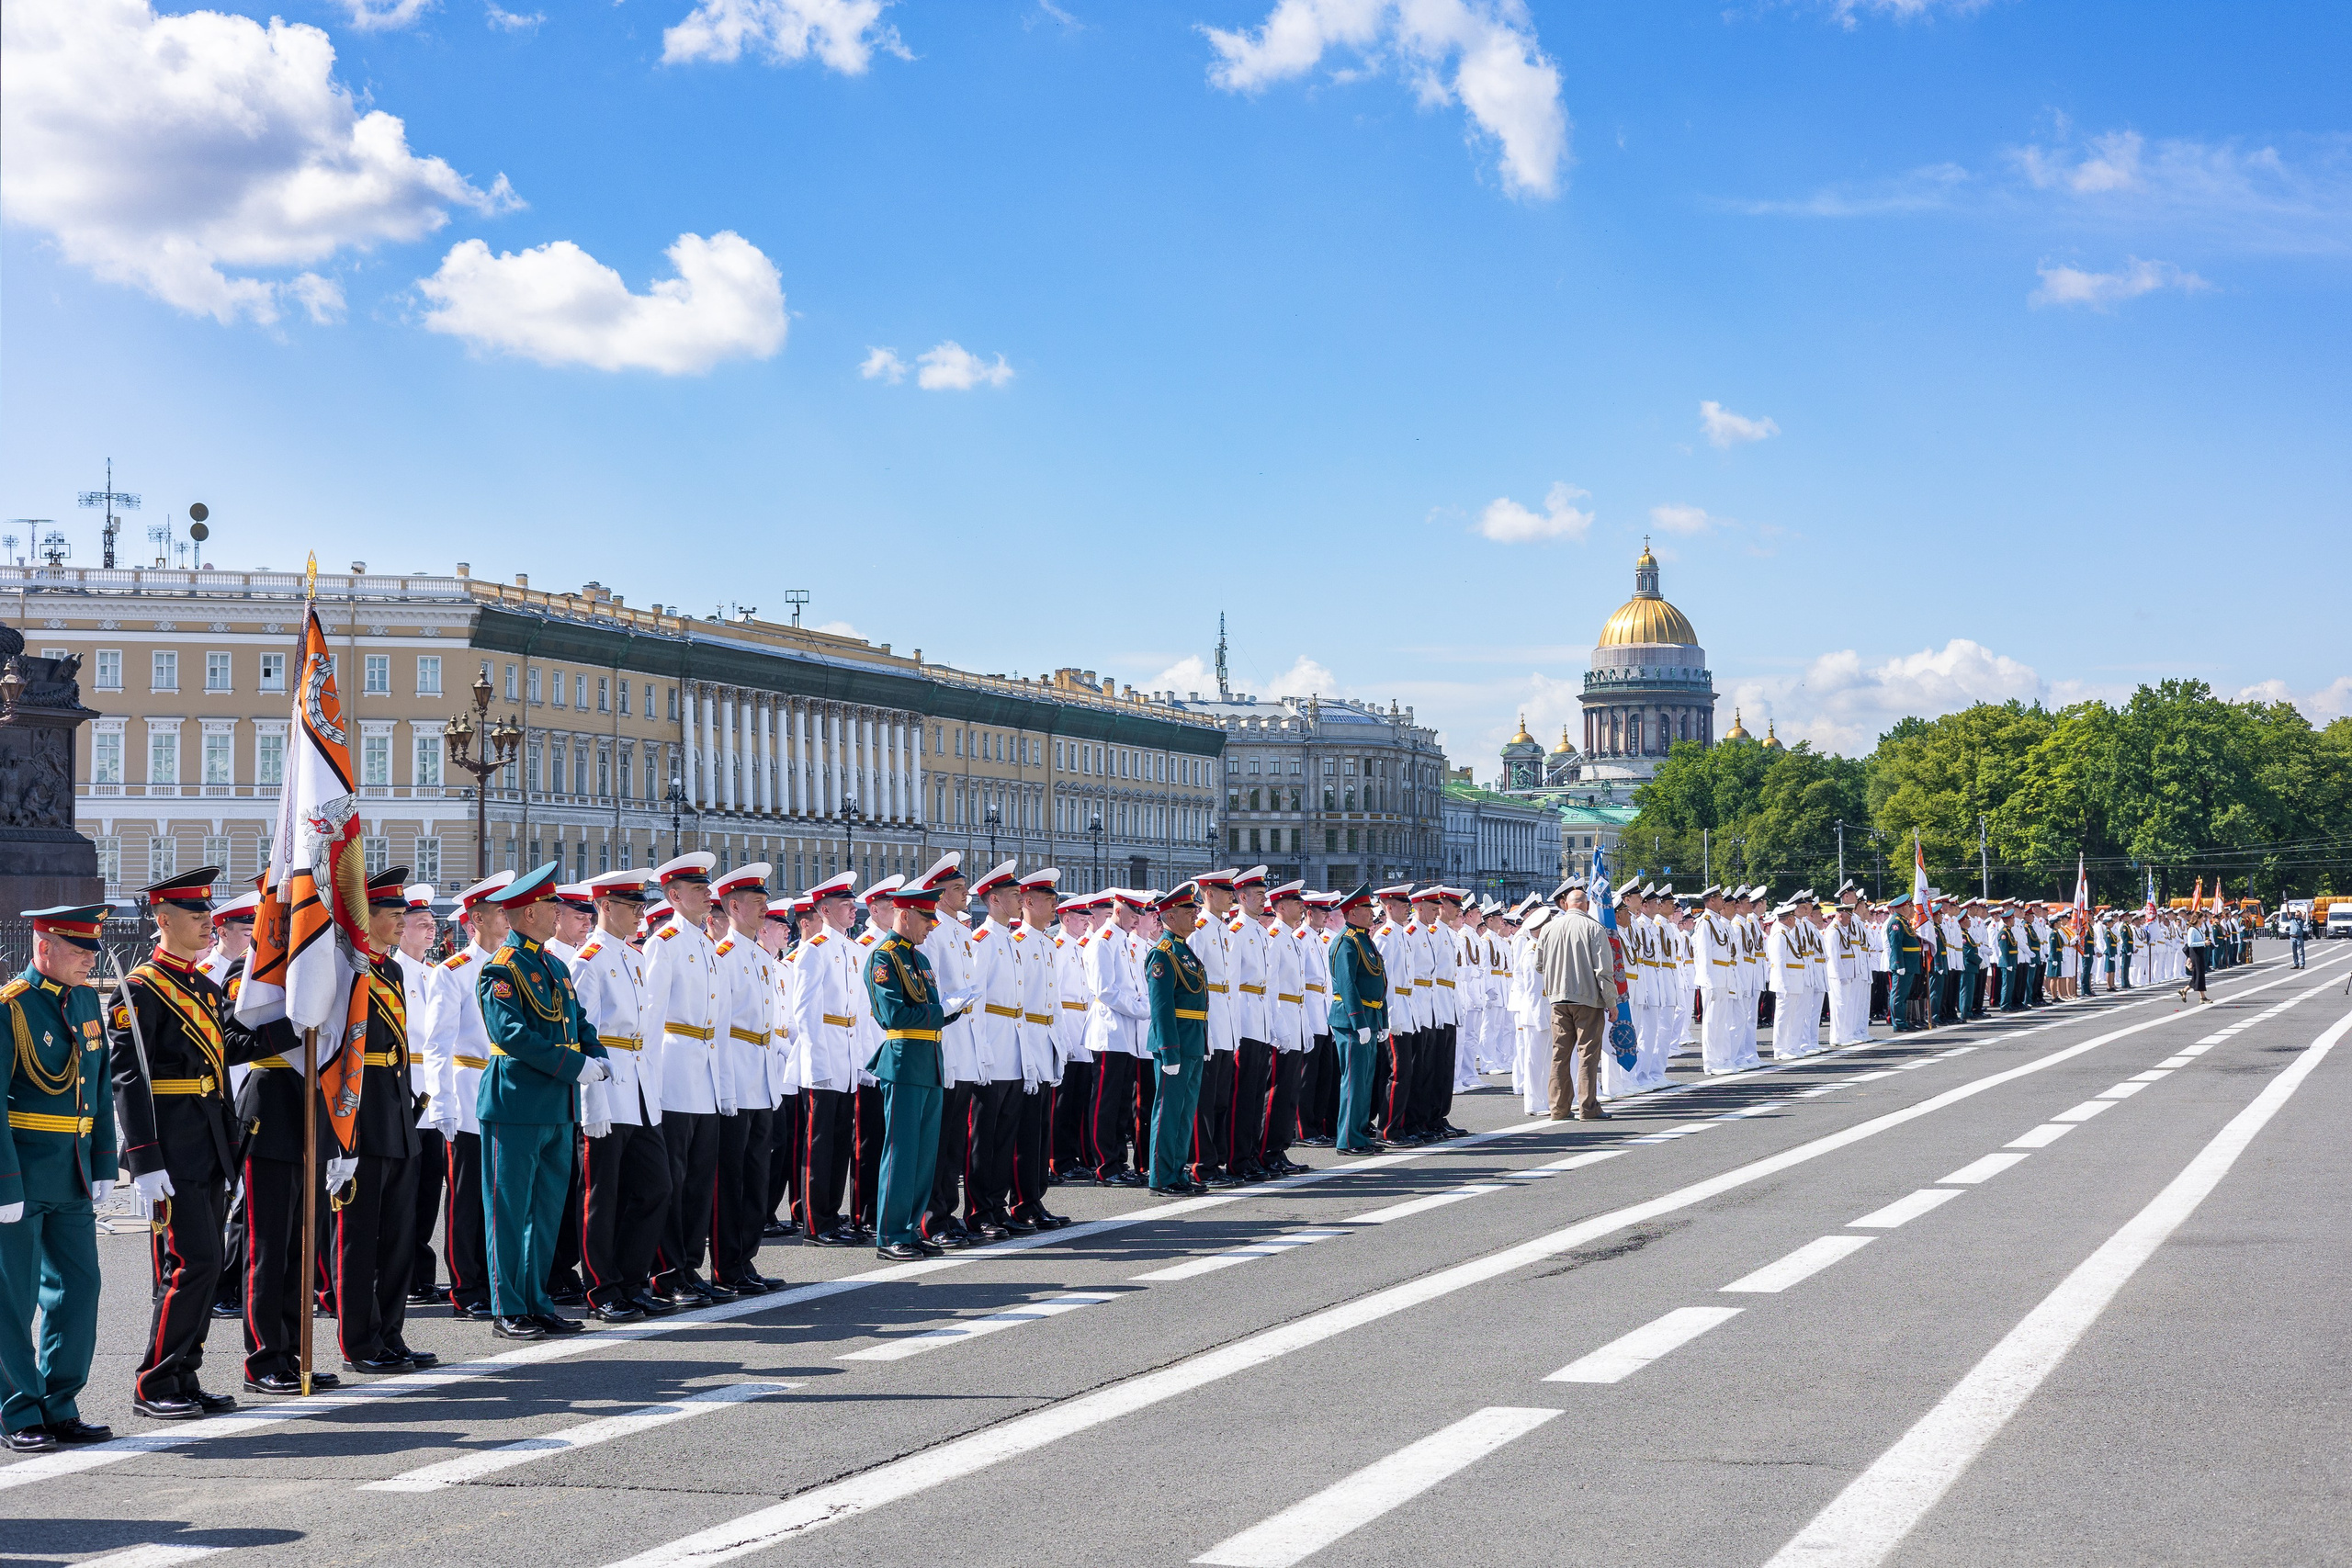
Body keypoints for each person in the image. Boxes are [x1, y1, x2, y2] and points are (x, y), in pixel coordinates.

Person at [108, 867, 281, 1420]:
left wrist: (292, 1028)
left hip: (209, 1141)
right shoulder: (141, 989)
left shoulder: (202, 985)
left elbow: (220, 1053)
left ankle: (183, 1372)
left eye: (208, 913)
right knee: (193, 1261)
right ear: (163, 921)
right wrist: (143, 1159)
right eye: (196, 914)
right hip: (171, 1145)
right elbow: (128, 1078)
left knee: (204, 1264)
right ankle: (154, 1380)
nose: (208, 922)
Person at [475, 863, 610, 1341]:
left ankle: (537, 1301)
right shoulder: (502, 968)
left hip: (556, 1104)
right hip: (515, 1102)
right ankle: (507, 1307)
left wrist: (596, 1053)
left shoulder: (552, 964)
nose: (560, 912)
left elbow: (578, 1020)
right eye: (553, 905)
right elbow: (511, 1034)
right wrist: (574, 1066)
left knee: (547, 1212)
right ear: (529, 911)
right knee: (509, 1212)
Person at [2, 906, 119, 1451]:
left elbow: (97, 1086)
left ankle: (60, 1403)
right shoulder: (12, 1009)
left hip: (71, 1174)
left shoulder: (87, 1001)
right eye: (78, 951)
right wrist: (4, 1183)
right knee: (13, 1298)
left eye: (92, 950)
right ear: (43, 947)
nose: (89, 960)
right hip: (22, 1174)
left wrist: (102, 1163)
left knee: (78, 1290)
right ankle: (17, 1409)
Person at [334, 869, 434, 1375]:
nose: (401, 921)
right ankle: (360, 1341)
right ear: (364, 917)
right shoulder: (345, 970)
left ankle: (391, 1333)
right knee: (359, 1237)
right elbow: (335, 1053)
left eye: (402, 914)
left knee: (398, 1233)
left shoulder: (390, 972)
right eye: (393, 914)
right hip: (362, 1115)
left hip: (396, 1110)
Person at [570, 869, 673, 1323]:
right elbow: (582, 1037)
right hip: (607, 1091)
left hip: (638, 1090)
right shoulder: (588, 961)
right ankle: (602, 1288)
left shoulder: (633, 958)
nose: (640, 914)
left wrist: (652, 1093)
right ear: (605, 907)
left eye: (641, 906)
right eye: (632, 907)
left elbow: (645, 1035)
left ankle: (632, 1281)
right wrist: (590, 1104)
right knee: (601, 1195)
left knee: (654, 1186)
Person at [421, 871, 514, 1319]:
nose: (508, 919)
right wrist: (441, 1102)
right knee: (467, 1198)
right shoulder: (453, 972)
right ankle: (467, 1286)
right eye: (500, 912)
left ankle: (499, 1280)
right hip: (469, 1089)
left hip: (509, 1091)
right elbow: (437, 1043)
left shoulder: (514, 964)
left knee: (504, 1194)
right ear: (477, 919)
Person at [643, 852, 731, 1305]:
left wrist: (725, 1086)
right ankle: (667, 1272)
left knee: (699, 1180)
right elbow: (652, 1019)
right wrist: (651, 1086)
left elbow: (717, 1023)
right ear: (674, 896)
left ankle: (690, 1268)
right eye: (698, 890)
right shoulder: (665, 943)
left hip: (704, 1074)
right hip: (674, 1072)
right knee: (673, 1180)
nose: (707, 894)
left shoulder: (704, 944)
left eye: (706, 888)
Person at [864, 879, 953, 1262]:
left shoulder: (921, 958)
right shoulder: (883, 958)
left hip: (929, 1060)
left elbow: (929, 1014)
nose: (931, 925)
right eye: (925, 917)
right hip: (902, 1060)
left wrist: (951, 1009)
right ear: (903, 914)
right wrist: (943, 1010)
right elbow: (894, 1015)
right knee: (901, 1153)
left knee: (923, 1156)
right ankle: (891, 1233)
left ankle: (912, 1228)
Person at [709, 863, 783, 1295]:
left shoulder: (760, 957)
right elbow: (718, 1028)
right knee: (730, 1178)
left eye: (765, 902)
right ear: (733, 907)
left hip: (761, 1075)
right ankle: (725, 1264)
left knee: (756, 1174)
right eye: (757, 903)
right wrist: (724, 1086)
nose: (765, 909)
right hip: (736, 1074)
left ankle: (745, 1259)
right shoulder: (723, 957)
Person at [788, 872, 864, 1247]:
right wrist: (815, 1062)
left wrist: (863, 1061)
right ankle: (816, 1223)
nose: (854, 910)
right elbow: (804, 1012)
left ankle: (833, 1215)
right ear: (824, 910)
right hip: (823, 1055)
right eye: (846, 905)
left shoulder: (854, 950)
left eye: (853, 904)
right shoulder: (813, 949)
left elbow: (861, 1011)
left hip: (847, 1054)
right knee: (818, 1143)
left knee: (839, 1140)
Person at [1008, 869, 1071, 1231]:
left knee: (1040, 1131)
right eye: (1049, 900)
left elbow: (1054, 1002)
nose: (1055, 906)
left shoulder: (1048, 944)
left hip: (1045, 1039)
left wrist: (1059, 1045)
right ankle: (1021, 1201)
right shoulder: (1018, 942)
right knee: (1026, 1131)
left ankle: (1035, 1199)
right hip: (1025, 1040)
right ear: (1027, 903)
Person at [1532, 885, 1623, 1121]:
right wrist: (1612, 1002)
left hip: (1558, 999)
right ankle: (1588, 1107)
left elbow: (1538, 964)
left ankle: (1559, 1108)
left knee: (1560, 1054)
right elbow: (1604, 970)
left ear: (1566, 904)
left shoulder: (1549, 928)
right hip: (1588, 999)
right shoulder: (1594, 927)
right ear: (1587, 906)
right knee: (1588, 1054)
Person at [1082, 889, 1149, 1183]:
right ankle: (1105, 1165)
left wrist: (1142, 1008)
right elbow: (1105, 990)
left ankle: (1119, 1161)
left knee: (1123, 1101)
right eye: (1133, 913)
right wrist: (1140, 1010)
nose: (1138, 920)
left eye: (1140, 914)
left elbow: (1135, 985)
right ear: (1118, 909)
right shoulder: (1103, 942)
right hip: (1109, 1029)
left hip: (1127, 1033)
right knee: (1106, 1102)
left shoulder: (1125, 943)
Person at [1327, 886, 1389, 1153]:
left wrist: (1382, 1019)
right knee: (1353, 1081)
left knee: (1365, 1081)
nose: (1372, 914)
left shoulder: (1365, 939)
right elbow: (1347, 984)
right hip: (1353, 1021)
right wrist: (1359, 1021)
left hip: (1370, 1017)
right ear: (1352, 912)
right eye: (1367, 909)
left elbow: (1379, 980)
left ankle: (1360, 1134)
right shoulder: (1346, 941)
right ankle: (1348, 1139)